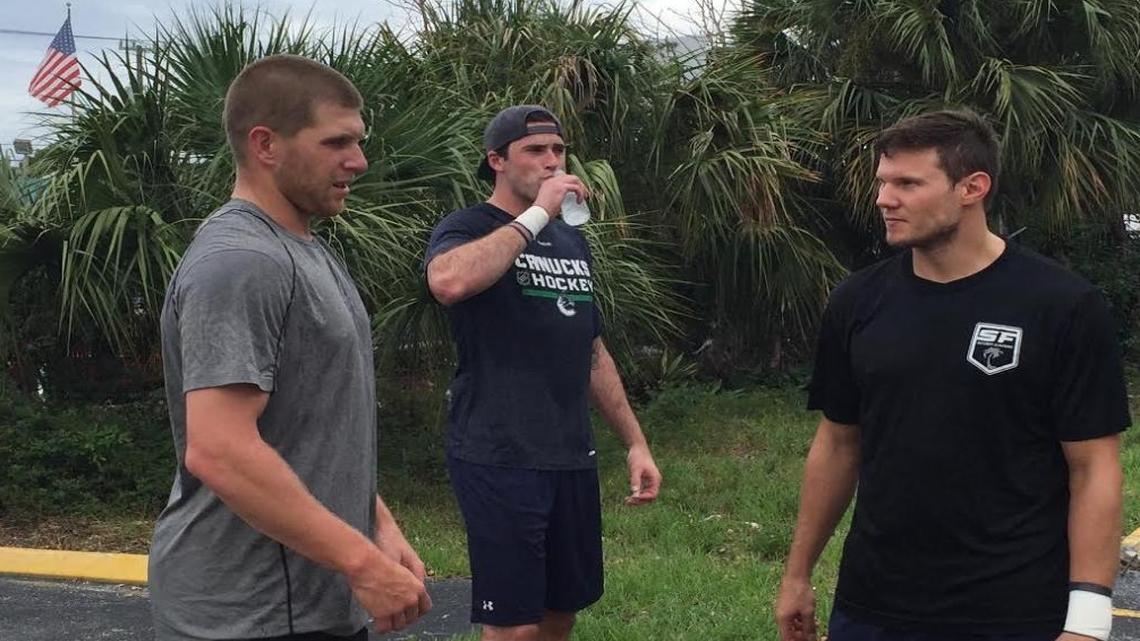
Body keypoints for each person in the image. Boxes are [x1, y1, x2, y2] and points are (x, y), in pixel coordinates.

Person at [776, 109, 1130, 641]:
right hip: (875, 605)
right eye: (883, 182)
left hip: (1015, 610)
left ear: (972, 187)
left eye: (907, 183)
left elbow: (1094, 469)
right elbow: (838, 443)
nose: (883, 199)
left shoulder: (1062, 306)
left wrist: (1088, 620)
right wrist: (797, 574)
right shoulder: (857, 302)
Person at [150, 54, 431, 641]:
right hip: (249, 614)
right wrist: (359, 562)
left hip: (310, 604)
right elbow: (220, 449)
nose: (359, 161)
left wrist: (375, 526)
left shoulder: (302, 247)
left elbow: (310, 429)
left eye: (357, 141)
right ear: (266, 145)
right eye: (336, 143)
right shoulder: (242, 262)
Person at [424, 104, 663, 641]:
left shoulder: (571, 241)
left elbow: (592, 352)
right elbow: (448, 283)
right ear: (497, 161)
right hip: (499, 451)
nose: (552, 162)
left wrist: (635, 442)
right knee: (514, 627)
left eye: (558, 150)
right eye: (535, 151)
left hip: (569, 452)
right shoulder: (468, 227)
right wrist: (535, 217)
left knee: (561, 612)